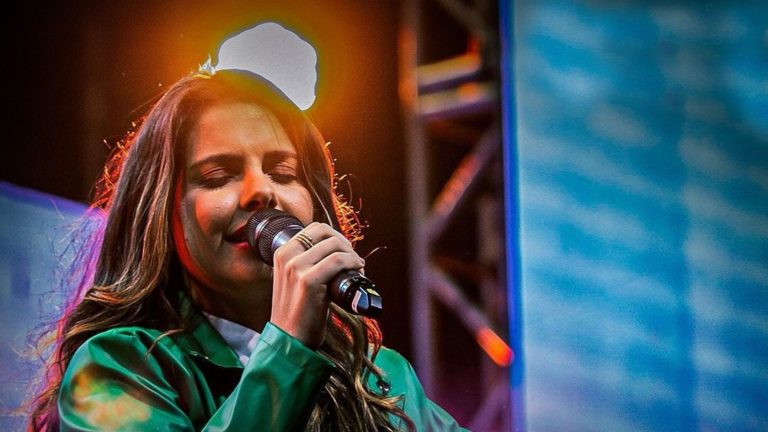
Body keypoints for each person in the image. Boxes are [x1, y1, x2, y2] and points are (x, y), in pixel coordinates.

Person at [27, 62, 468, 430]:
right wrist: (288, 348)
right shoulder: (119, 368)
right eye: (218, 176)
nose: (261, 191)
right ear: (160, 213)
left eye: (283, 172)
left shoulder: (381, 376)